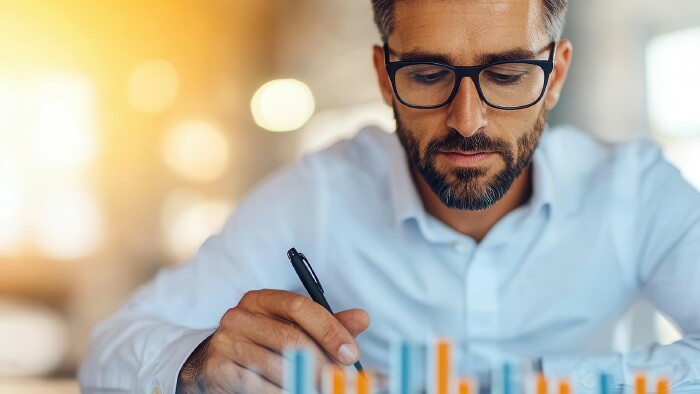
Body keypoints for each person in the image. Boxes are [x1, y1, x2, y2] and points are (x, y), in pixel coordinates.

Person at [79, 0, 700, 393]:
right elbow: (108, 350)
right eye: (429, 74)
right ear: (384, 75)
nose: (467, 120)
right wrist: (199, 366)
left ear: (556, 74)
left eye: (506, 74)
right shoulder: (317, 193)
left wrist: (541, 385)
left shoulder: (634, 192)